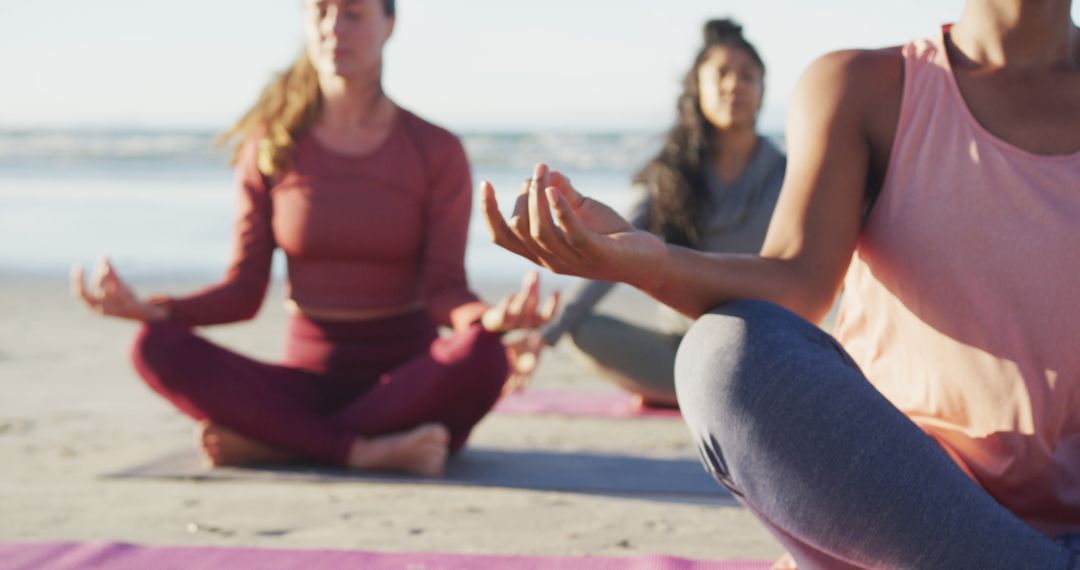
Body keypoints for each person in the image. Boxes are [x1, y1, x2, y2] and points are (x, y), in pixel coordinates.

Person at [483, 0, 1079, 567]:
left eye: (746, 76)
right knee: (723, 355)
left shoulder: (770, 158)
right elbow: (797, 284)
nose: (735, 87)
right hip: (911, 511)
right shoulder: (865, 88)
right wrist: (645, 263)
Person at [72, 0, 557, 478]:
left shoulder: (436, 149)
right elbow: (243, 292)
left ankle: (283, 442)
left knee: (483, 355)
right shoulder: (271, 146)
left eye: (352, 13)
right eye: (320, 11)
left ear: (389, 24)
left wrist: (490, 319)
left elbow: (444, 291)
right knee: (154, 346)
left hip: (410, 383)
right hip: (303, 383)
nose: (333, 27)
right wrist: (156, 311)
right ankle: (360, 450)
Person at [532, 19, 785, 408]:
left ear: (763, 89)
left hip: (767, 346)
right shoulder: (669, 176)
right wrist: (544, 335)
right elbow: (611, 250)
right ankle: (706, 394)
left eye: (747, 76)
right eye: (721, 74)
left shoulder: (792, 173)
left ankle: (715, 396)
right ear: (696, 87)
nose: (734, 85)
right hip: (686, 348)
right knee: (584, 330)